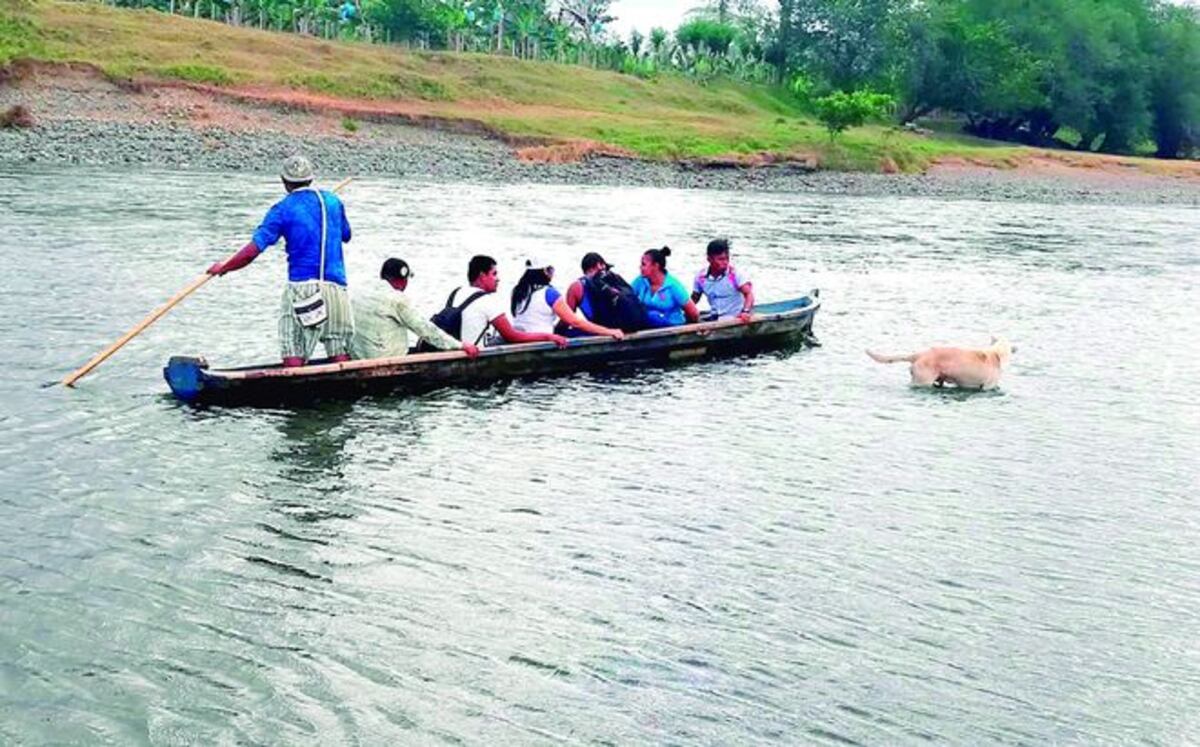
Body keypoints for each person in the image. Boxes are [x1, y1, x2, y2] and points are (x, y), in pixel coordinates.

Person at [208, 155, 353, 367]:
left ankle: (293, 389)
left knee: (293, 345)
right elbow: (346, 235)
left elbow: (252, 251)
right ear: (311, 179)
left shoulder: (282, 209)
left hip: (304, 290)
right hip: (337, 290)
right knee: (338, 347)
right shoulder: (333, 201)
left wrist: (225, 267)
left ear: (284, 182)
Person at [349, 258, 481, 360]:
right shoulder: (397, 299)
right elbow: (425, 329)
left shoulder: (359, 293)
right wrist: (460, 345)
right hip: (387, 360)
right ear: (403, 279)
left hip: (360, 357)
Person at [439, 255, 568, 348]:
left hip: (455, 346)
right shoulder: (487, 301)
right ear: (482, 276)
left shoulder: (457, 292)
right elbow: (512, 336)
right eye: (494, 274)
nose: (498, 279)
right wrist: (549, 337)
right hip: (474, 350)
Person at [511, 257, 624, 341]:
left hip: (521, 337)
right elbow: (575, 322)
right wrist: (610, 332)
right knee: (585, 332)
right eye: (551, 270)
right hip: (541, 339)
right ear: (545, 271)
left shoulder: (517, 290)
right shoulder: (549, 293)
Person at [565, 252, 646, 332]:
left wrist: (556, 331)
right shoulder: (616, 277)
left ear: (586, 271)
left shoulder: (577, 286)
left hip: (604, 331)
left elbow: (567, 320)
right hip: (636, 325)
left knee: (570, 331)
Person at [630, 247, 700, 328]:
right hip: (648, 322)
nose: (640, 267)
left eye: (643, 264)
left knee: (653, 316)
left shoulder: (673, 285)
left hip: (672, 325)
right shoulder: (640, 281)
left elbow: (694, 313)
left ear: (656, 266)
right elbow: (628, 295)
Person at [691, 238, 755, 323]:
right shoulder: (700, 277)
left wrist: (745, 311)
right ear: (709, 259)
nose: (725, 262)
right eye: (720, 259)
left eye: (727, 258)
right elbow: (694, 299)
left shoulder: (735, 274)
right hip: (715, 317)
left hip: (735, 318)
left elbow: (749, 294)